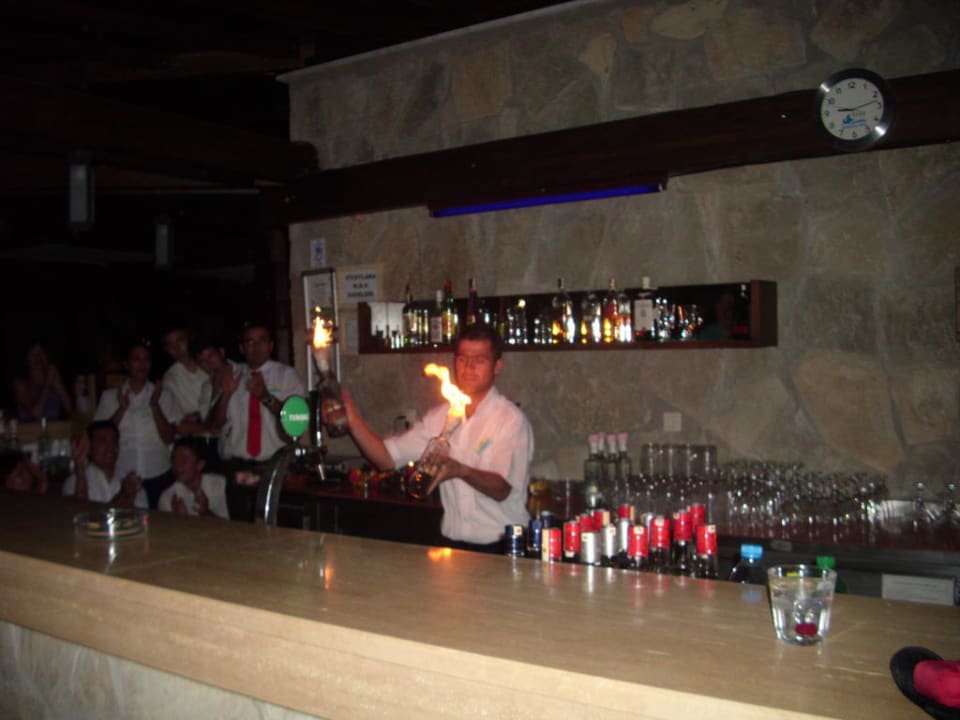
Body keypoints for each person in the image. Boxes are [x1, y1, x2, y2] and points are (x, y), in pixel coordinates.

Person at [331, 323, 534, 552]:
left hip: (503, 546)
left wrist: (459, 470)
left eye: (479, 359)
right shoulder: (440, 417)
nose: (469, 367)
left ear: (497, 366)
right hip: (453, 545)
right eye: (463, 358)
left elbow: (502, 488)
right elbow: (386, 458)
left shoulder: (510, 420)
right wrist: (350, 417)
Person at [93, 340, 180, 508]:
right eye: (136, 359)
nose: (142, 364)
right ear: (126, 364)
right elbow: (100, 436)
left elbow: (169, 438)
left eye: (146, 359)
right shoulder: (110, 396)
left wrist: (155, 406)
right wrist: (121, 409)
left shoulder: (164, 395)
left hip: (158, 474)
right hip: (123, 474)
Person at [215, 322, 306, 464]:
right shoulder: (232, 375)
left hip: (275, 462)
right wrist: (225, 395)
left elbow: (298, 420)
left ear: (270, 346)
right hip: (235, 463)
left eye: (262, 340)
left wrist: (265, 397)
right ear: (242, 348)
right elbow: (216, 425)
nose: (256, 346)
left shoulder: (287, 375)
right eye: (250, 342)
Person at [62, 420, 148, 508]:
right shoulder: (74, 481)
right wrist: (124, 494)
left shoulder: (129, 479)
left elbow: (142, 513)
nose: (110, 447)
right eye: (102, 441)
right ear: (89, 447)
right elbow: (82, 512)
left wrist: (130, 495)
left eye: (114, 441)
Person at [158, 436, 229, 519]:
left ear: (200, 464)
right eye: (175, 459)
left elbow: (230, 525)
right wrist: (180, 519)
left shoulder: (219, 485)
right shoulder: (168, 496)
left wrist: (206, 512)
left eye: (184, 460)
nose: (178, 465)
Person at [161, 327, 212, 437]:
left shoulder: (209, 363)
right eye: (170, 344)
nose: (176, 348)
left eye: (180, 340)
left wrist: (198, 416)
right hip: (198, 438)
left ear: (190, 339)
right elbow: (180, 424)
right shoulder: (169, 379)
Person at [12, 342, 73, 422]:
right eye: (34, 354)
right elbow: (36, 414)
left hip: (55, 429)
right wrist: (48, 383)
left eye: (41, 353)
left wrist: (60, 386)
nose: (38, 357)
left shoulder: (54, 381)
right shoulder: (20, 385)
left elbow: (73, 414)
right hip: (29, 430)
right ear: (26, 360)